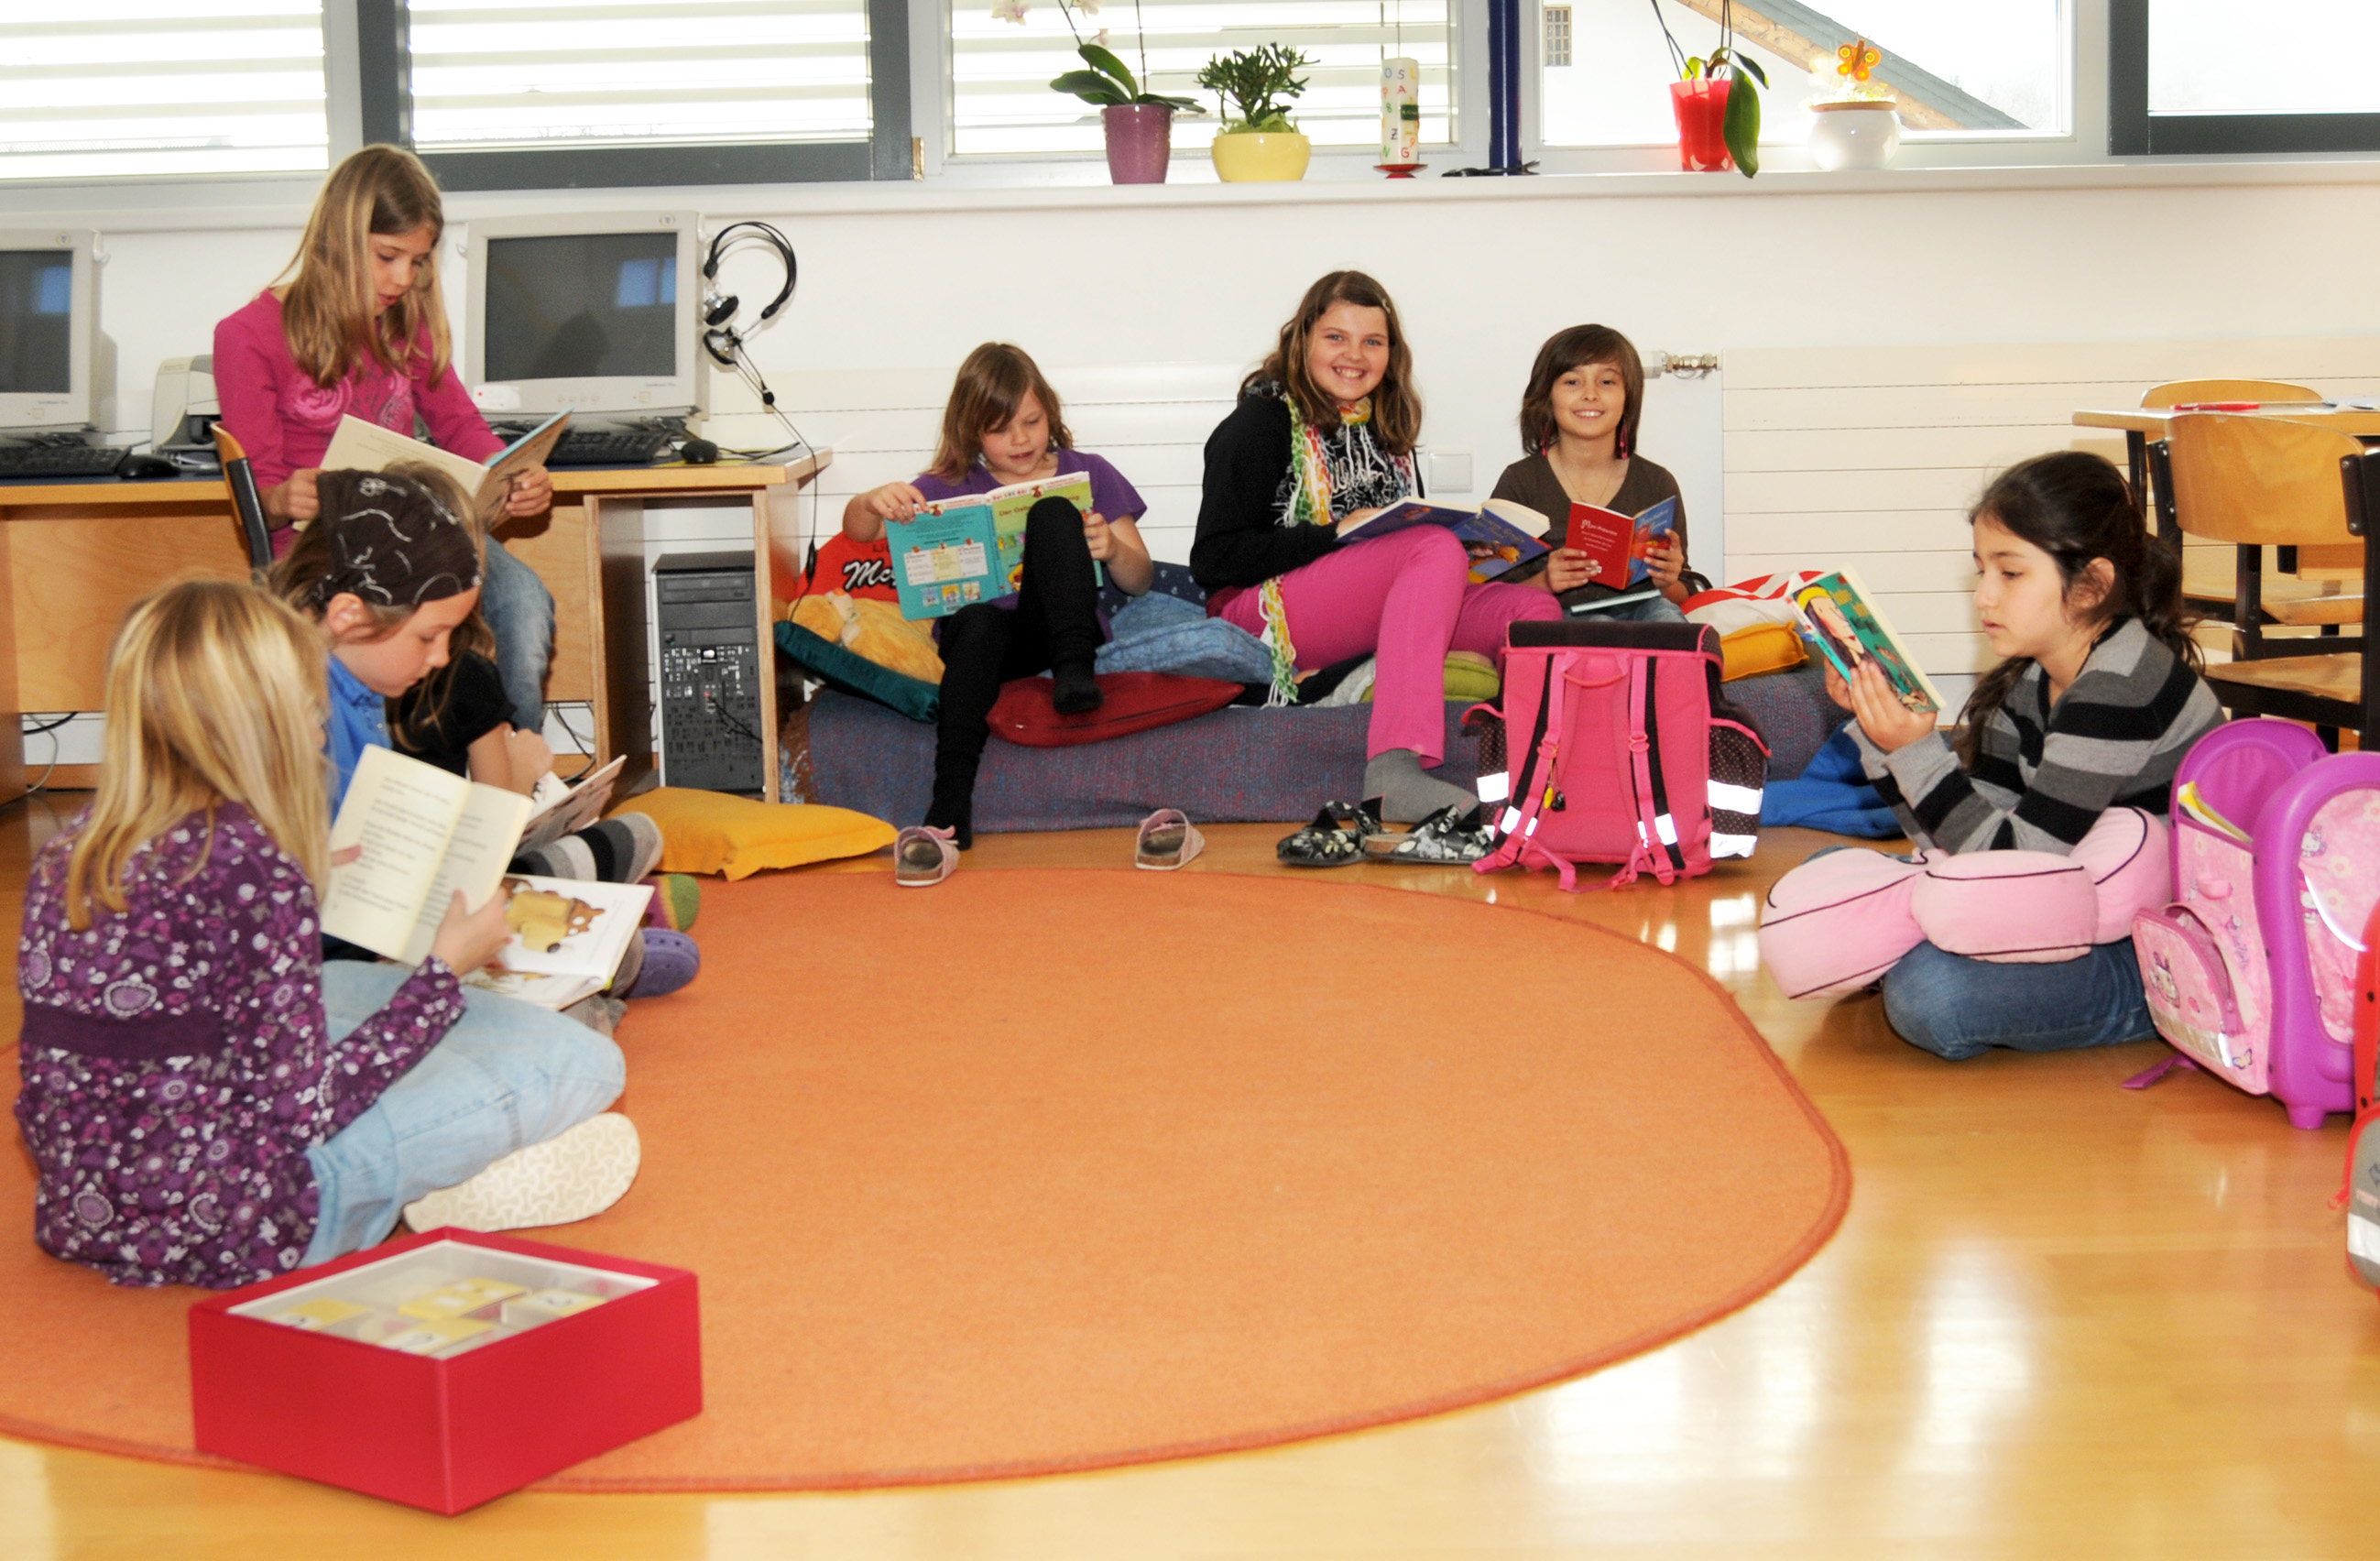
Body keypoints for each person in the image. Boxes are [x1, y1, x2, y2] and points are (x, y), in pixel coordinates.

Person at [13, 580, 636, 1290]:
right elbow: (305, 1112)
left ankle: (449, 1156)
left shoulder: (71, 852)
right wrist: (443, 970)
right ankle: (441, 1182)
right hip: (252, 1227)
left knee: (338, 984)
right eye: (309, 710)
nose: (318, 734)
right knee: (585, 1063)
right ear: (259, 722)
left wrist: (306, 895)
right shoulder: (254, 867)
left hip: (85, 1212)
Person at [1835, 450, 2224, 1061]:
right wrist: (1882, 739)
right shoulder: (2030, 680)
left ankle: (2150, 1010)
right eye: (1981, 571)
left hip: (2149, 948)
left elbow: (2012, 865)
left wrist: (1915, 752)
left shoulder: (2118, 689)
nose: (1984, 596)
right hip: (2061, 907)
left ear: (2091, 585)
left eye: (2010, 573)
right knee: (1841, 878)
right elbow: (1955, 839)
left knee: (1932, 993)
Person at [274, 464, 687, 1001]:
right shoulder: (290, 713)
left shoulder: (360, 686)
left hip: (378, 948)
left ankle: (592, 961)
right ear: (348, 616)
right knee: (574, 1030)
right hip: (326, 980)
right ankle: (595, 966)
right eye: (429, 636)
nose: (440, 656)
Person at [1192, 270, 1563, 865]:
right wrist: (1332, 534)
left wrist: (1478, 553)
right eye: (1336, 338)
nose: (1355, 355)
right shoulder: (1259, 425)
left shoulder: (1384, 431)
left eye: (1373, 341)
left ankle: (1537, 770)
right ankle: (1394, 770)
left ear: (1392, 354)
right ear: (1302, 340)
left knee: (1530, 608)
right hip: (1261, 611)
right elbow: (1213, 560)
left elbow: (1402, 553)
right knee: (1432, 550)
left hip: (1363, 602)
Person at [213, 143, 559, 736]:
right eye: (387, 256)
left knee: (523, 600)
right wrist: (283, 497)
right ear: (339, 239)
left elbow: (460, 426)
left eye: (417, 261)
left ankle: (516, 768)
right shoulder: (249, 335)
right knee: (395, 625)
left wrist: (511, 474)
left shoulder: (405, 328)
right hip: (320, 547)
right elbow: (259, 498)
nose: (403, 278)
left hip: (414, 531)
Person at [839, 343, 1154, 873]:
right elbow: (857, 530)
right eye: (1000, 429)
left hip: (1060, 629)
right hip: (986, 645)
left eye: (1032, 421)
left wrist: (1113, 551)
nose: (1021, 439)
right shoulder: (946, 485)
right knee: (978, 621)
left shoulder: (1089, 471)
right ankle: (949, 805)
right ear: (971, 431)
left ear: (1050, 412)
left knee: (1054, 510)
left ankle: (1075, 677)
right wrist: (870, 501)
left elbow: (1140, 580)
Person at [1490, 324, 1702, 623]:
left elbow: (1683, 595)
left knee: (1664, 614)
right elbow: (1489, 599)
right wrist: (1545, 582)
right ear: (1548, 395)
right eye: (1572, 381)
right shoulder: (1521, 483)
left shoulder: (1656, 483)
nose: (1590, 394)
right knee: (1598, 625)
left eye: (1607, 382)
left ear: (1628, 397)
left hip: (1643, 617)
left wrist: (1666, 581)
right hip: (1559, 623)